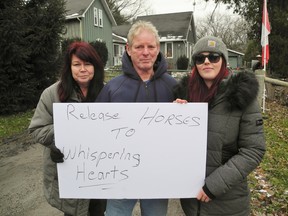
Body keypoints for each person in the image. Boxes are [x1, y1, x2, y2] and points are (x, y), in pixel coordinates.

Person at [173, 36, 266, 216]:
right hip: (191, 203)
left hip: (227, 203)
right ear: (195, 64)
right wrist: (175, 117)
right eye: (200, 58)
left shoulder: (242, 96)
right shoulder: (185, 95)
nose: (207, 62)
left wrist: (213, 187)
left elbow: (254, 150)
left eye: (214, 57)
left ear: (223, 61)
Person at [96, 20, 177, 216]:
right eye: (139, 46)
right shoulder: (112, 88)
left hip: (157, 175)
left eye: (151, 46)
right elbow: (95, 131)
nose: (146, 52)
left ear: (158, 49)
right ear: (128, 49)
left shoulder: (173, 87)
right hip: (120, 176)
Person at [28, 41, 106, 216]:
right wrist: (60, 136)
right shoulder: (52, 93)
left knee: (97, 210)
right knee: (73, 211)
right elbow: (37, 128)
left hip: (100, 171)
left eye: (87, 64)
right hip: (69, 170)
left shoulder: (106, 92)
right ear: (69, 67)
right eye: (77, 64)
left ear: (96, 66)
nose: (83, 69)